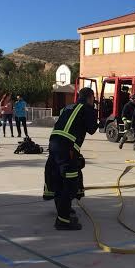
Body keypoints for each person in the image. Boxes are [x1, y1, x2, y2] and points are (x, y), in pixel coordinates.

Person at [44, 88, 98, 230]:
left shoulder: (67, 107)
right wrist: (98, 114)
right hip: (67, 148)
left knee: (58, 178)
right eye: (93, 99)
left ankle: (64, 210)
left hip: (55, 144)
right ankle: (63, 220)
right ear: (90, 98)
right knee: (69, 183)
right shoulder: (87, 108)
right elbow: (92, 129)